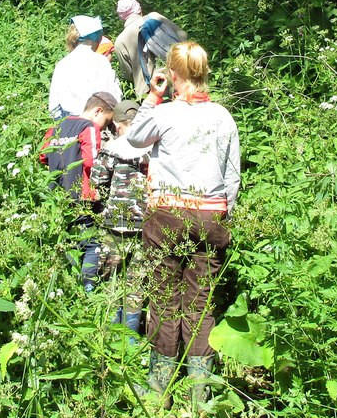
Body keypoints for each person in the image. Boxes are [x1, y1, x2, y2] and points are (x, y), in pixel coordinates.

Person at [126, 41, 241, 408]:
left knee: (164, 297)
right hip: (210, 217)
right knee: (201, 302)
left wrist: (150, 96)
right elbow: (233, 176)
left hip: (167, 217)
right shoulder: (223, 116)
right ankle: (199, 392)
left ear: (172, 74)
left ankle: (159, 386)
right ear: (204, 73)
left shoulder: (165, 114)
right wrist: (224, 213)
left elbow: (133, 137)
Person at [40, 91, 118, 291]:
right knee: (92, 244)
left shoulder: (57, 125)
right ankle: (88, 288)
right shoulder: (89, 127)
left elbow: (43, 156)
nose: (105, 127)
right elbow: (92, 161)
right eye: (107, 122)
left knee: (70, 242)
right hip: (83, 196)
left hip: (58, 197)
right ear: (98, 110)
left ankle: (71, 287)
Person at [89, 99, 150, 338]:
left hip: (115, 223)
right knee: (136, 285)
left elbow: (97, 182)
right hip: (143, 224)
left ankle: (109, 336)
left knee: (109, 279)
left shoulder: (112, 148)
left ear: (118, 124)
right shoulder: (151, 149)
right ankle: (131, 339)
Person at [48, 15, 122, 120]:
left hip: (69, 127)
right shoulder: (100, 61)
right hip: (96, 124)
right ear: (96, 38)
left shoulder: (62, 64)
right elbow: (112, 97)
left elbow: (54, 107)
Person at [112, 0, 187, 98]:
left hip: (149, 92)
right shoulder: (155, 17)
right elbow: (182, 36)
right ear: (139, 9)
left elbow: (128, 74)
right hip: (178, 79)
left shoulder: (119, 41)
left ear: (121, 17)